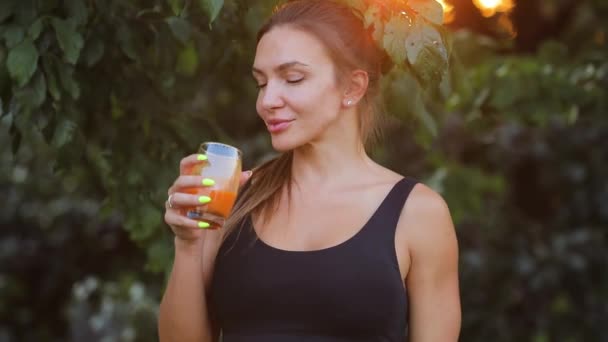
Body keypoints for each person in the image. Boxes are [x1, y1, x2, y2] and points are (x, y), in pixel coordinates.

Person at [158, 0, 461, 341]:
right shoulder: (233, 196)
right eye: (261, 82)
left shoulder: (419, 213)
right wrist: (187, 246)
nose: (267, 100)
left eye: (292, 78)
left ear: (352, 88)